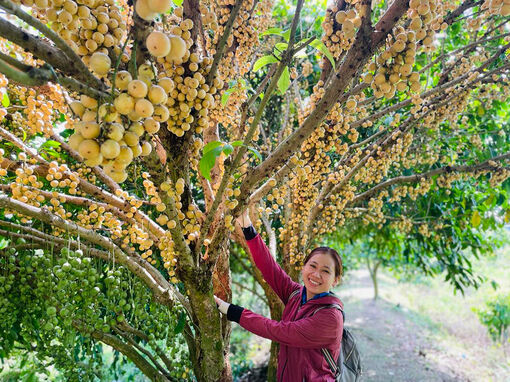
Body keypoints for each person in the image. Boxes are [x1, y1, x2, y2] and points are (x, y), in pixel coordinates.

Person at [214, 211, 344, 381]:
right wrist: (247, 226)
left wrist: (231, 310)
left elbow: (279, 331)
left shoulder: (330, 318)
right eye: (312, 266)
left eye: (325, 271)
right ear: (303, 268)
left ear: (335, 280)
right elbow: (270, 269)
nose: (316, 274)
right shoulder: (297, 294)